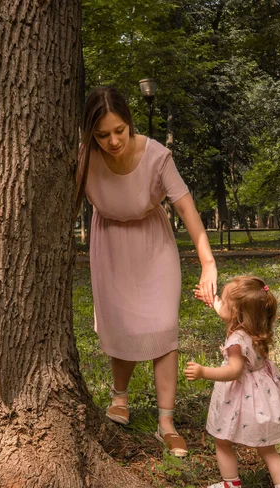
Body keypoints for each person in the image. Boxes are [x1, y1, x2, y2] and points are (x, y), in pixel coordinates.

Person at [75, 86, 217, 458]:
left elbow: (187, 209)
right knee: (122, 321)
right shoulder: (84, 158)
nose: (112, 141)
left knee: (162, 325)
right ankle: (119, 396)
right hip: (110, 245)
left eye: (119, 130)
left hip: (154, 245)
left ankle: (166, 423)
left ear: (129, 122)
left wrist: (208, 262)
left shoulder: (157, 155)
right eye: (102, 135)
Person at [184, 276, 280, 488]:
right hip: (264, 395)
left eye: (225, 303)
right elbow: (225, 310)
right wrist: (213, 300)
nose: (221, 307)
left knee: (222, 440)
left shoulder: (236, 340)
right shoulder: (256, 328)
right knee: (268, 449)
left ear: (236, 312)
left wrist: (203, 372)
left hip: (242, 397)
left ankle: (232, 487)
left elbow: (234, 371)